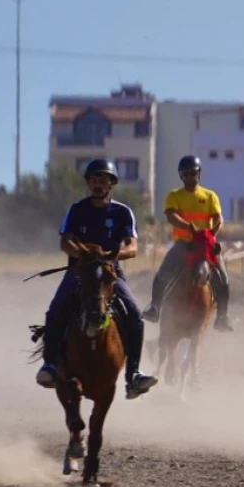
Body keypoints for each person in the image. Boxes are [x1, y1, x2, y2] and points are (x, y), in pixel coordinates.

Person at [35, 159, 159, 400]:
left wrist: (108, 256)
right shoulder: (77, 209)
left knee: (134, 314)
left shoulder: (123, 212)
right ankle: (49, 365)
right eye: (93, 180)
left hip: (111, 272)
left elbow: (132, 248)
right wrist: (85, 255)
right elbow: (65, 242)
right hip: (79, 271)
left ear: (111, 184)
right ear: (89, 183)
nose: (97, 184)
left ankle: (133, 375)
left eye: (102, 180)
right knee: (56, 309)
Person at [142, 155, 234, 331]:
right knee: (163, 273)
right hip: (184, 244)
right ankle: (155, 307)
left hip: (206, 246)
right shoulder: (174, 196)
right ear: (181, 176)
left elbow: (218, 218)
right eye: (186, 174)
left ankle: (223, 315)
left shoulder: (210, 196)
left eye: (193, 173)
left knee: (223, 277)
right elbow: (171, 216)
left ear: (199, 174)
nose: (190, 177)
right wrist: (188, 227)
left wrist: (212, 233)